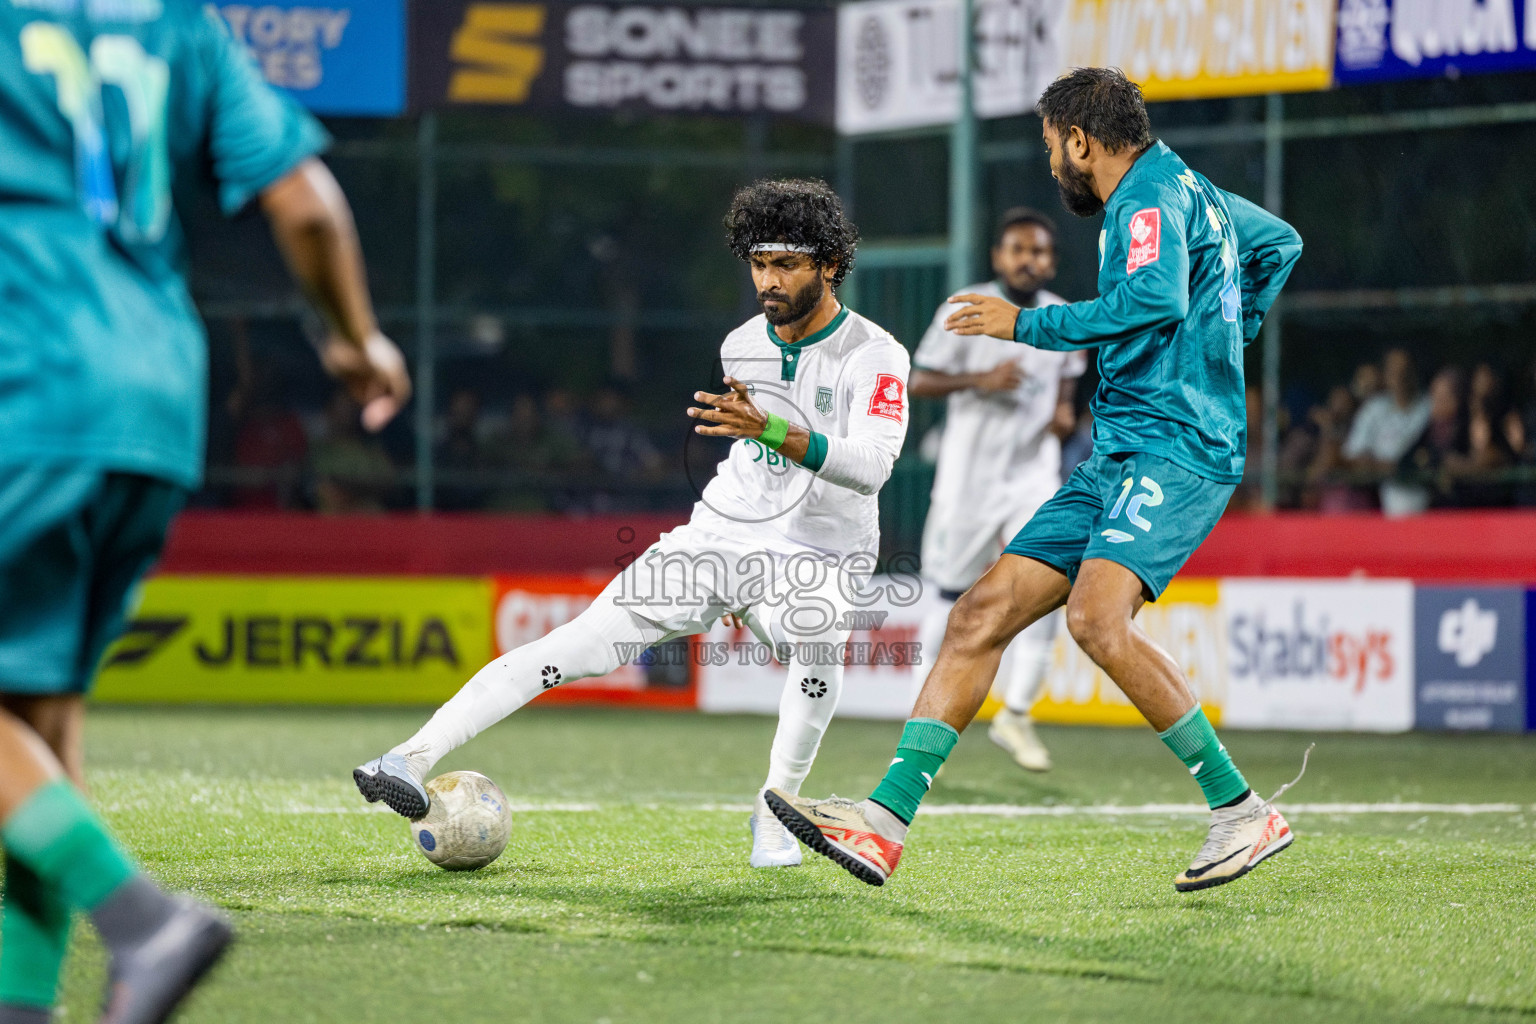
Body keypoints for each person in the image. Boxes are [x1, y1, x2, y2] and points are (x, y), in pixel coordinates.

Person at [767, 68, 1303, 892]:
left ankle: (1242, 813)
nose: (1054, 163)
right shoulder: (1190, 190)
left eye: (1053, 146)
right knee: (979, 614)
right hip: (1119, 451)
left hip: (1177, 446)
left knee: (1095, 619)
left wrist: (1027, 324)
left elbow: (1156, 301)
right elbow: (1279, 244)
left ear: (1080, 140)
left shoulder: (1146, 199)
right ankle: (882, 824)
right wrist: (1229, 329)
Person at [0, 3, 410, 1021]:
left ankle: (139, 918)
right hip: (154, 390)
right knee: (38, 731)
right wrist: (357, 337)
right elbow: (307, 205)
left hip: (25, 374)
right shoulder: (179, 22)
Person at [355, 179, 910, 871]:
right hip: (722, 534)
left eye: (786, 264)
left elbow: (872, 466)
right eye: (758, 262)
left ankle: (774, 810)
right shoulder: (743, 344)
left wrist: (768, 426)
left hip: (819, 553)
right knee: (579, 644)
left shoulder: (874, 354)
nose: (768, 280)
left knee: (818, 641)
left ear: (829, 263)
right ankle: (408, 758)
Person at [909, 208, 1083, 772]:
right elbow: (918, 379)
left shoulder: (1061, 317)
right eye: (1018, 249)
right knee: (949, 597)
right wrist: (979, 379)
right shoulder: (965, 308)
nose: (1028, 260)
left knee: (1048, 586)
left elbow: (1067, 379)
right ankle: (921, 721)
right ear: (998, 257)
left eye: (1039, 251)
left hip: (1033, 478)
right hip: (968, 482)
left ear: (1051, 261)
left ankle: (1017, 714)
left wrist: (1063, 412)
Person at [1343, 349, 1431, 515]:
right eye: (1393, 372)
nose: (1400, 377)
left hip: (1427, 499)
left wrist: (1400, 466)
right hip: (1381, 501)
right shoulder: (1373, 408)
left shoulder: (1428, 407)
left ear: (1414, 373)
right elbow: (1353, 454)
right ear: (1385, 375)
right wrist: (1379, 465)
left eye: (1405, 371)